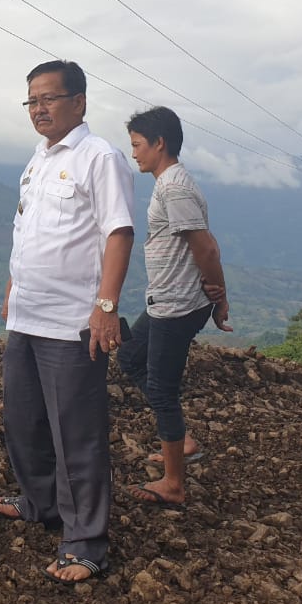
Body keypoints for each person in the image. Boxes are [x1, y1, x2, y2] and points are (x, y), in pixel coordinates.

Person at [0, 60, 135, 584]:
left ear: (80, 102)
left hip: (73, 321)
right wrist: (13, 286)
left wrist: (106, 307)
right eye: (31, 100)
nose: (39, 109)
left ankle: (85, 542)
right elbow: (24, 229)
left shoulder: (100, 158)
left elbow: (118, 233)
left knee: (76, 434)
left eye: (49, 98)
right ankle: (40, 503)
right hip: (27, 315)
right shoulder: (37, 160)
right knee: (23, 421)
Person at [120, 105, 231, 511]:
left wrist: (219, 298)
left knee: (163, 391)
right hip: (169, 299)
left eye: (137, 145)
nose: (133, 154)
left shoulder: (174, 188)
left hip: (177, 304)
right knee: (130, 356)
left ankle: (173, 483)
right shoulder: (171, 183)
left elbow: (206, 247)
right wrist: (218, 299)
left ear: (159, 143)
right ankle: (180, 442)